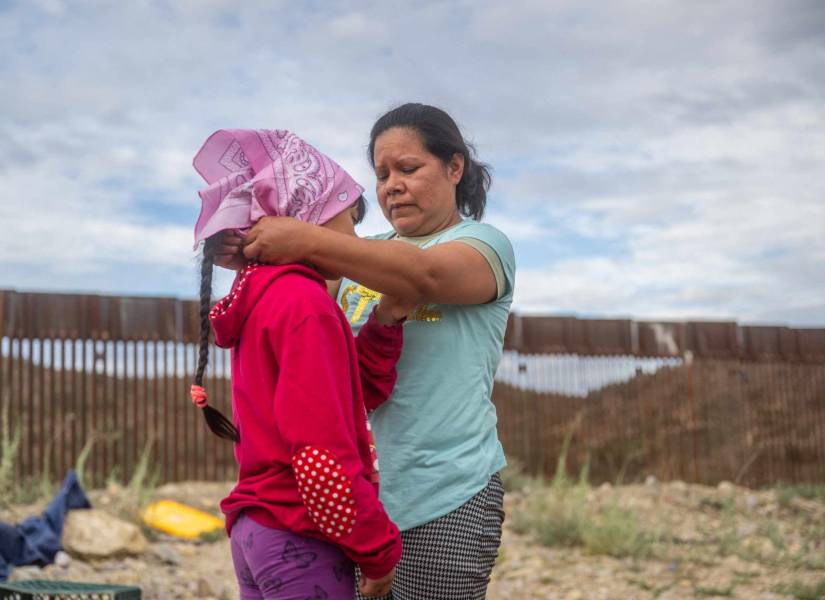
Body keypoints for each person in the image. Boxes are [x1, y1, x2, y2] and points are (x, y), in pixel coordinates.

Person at [225, 104, 516, 599]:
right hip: (353, 505)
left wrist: (302, 238)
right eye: (381, 174)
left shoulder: (482, 244)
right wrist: (250, 247)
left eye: (408, 168)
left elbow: (421, 275)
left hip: (444, 495)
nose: (391, 186)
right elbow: (299, 307)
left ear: (454, 167)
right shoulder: (362, 252)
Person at [190, 128, 411, 599]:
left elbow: (344, 395)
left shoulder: (264, 298)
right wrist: (378, 551)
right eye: (350, 218)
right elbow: (319, 459)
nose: (355, 239)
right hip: (300, 536)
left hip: (256, 529)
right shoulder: (305, 305)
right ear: (308, 216)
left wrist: (386, 322)